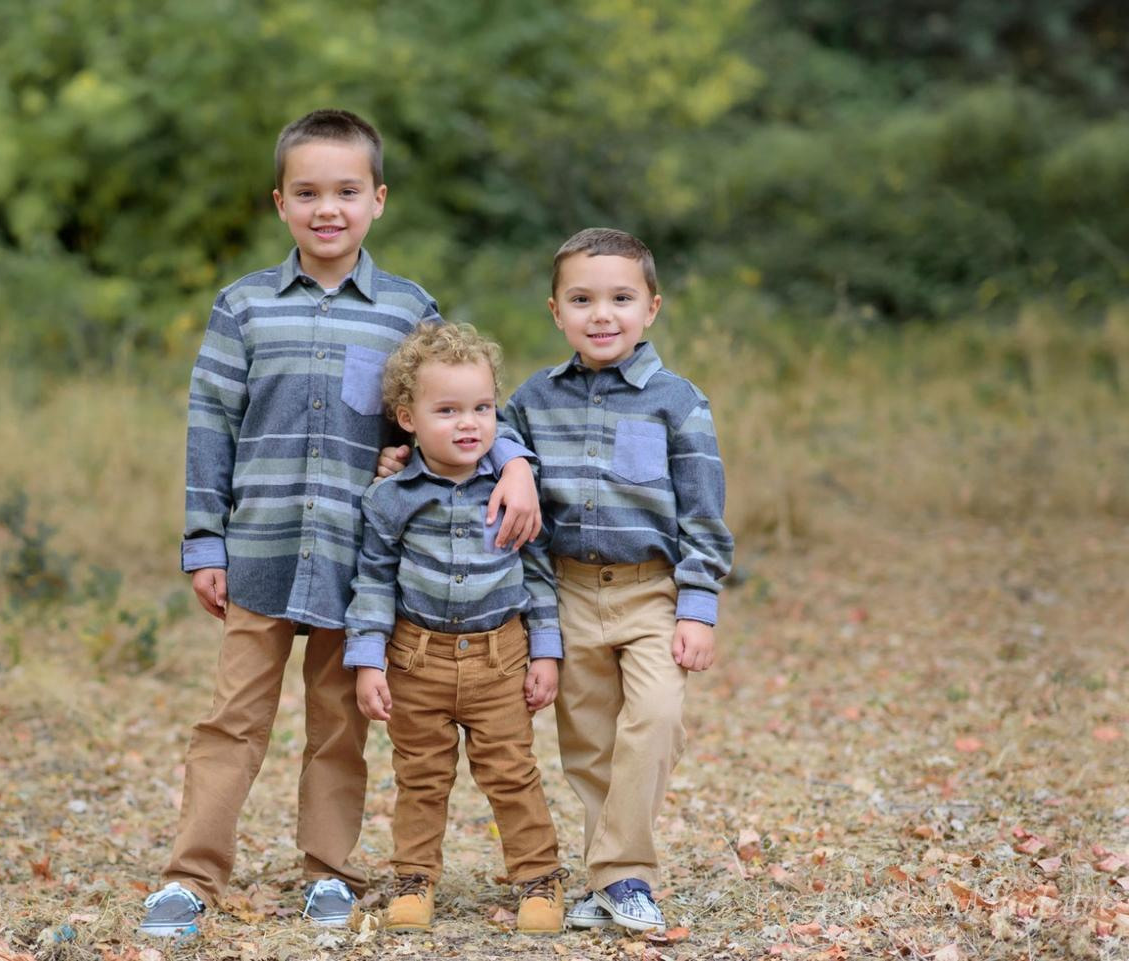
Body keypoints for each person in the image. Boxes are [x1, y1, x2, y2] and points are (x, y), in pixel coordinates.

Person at [137, 109, 541, 939]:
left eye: (347, 191)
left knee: (340, 723)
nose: (329, 208)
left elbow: (461, 403)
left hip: (360, 563)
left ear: (378, 199)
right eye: (309, 192)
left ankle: (329, 871)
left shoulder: (406, 309)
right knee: (232, 720)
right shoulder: (243, 306)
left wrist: (520, 460)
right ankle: (190, 876)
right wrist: (204, 539)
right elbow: (209, 425)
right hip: (261, 549)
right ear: (280, 201)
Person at [502, 227, 735, 932]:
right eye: (582, 299)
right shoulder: (533, 400)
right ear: (556, 311)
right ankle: (618, 882)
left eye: (620, 298)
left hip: (651, 591)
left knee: (657, 716)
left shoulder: (678, 401)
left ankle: (623, 870)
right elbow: (497, 449)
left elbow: (704, 510)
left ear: (652, 307)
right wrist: (512, 459)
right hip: (568, 589)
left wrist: (698, 606)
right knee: (588, 740)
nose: (602, 314)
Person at [345, 322, 568, 935]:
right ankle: (414, 879)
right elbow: (373, 582)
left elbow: (539, 576)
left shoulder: (513, 490)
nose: (468, 423)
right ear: (408, 418)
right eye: (447, 410)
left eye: (481, 408)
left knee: (512, 772)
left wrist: (545, 654)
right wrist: (368, 661)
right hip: (418, 659)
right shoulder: (391, 498)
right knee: (420, 774)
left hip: (502, 656)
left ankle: (538, 880)